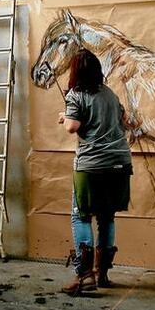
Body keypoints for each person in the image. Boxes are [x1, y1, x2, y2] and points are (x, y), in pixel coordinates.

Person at [57, 49, 132, 295]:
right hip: (120, 163)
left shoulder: (76, 94)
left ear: (75, 71)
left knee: (81, 216)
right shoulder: (110, 94)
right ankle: (102, 275)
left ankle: (85, 276)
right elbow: (123, 120)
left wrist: (64, 117)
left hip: (92, 166)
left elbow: (72, 127)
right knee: (107, 217)